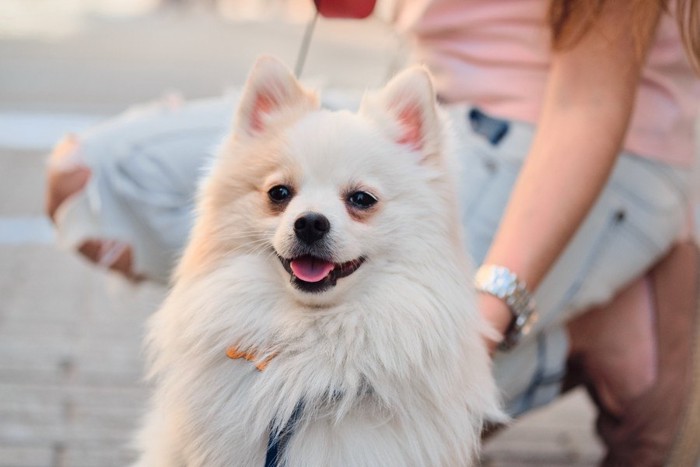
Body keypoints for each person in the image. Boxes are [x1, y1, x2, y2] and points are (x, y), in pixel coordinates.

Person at [46, 0, 700, 464]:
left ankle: (606, 322)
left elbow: (589, 105)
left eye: (356, 203)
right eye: (282, 196)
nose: (306, 215)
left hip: (582, 147)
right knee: (100, 176)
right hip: (438, 102)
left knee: (407, 366)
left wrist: (485, 307)